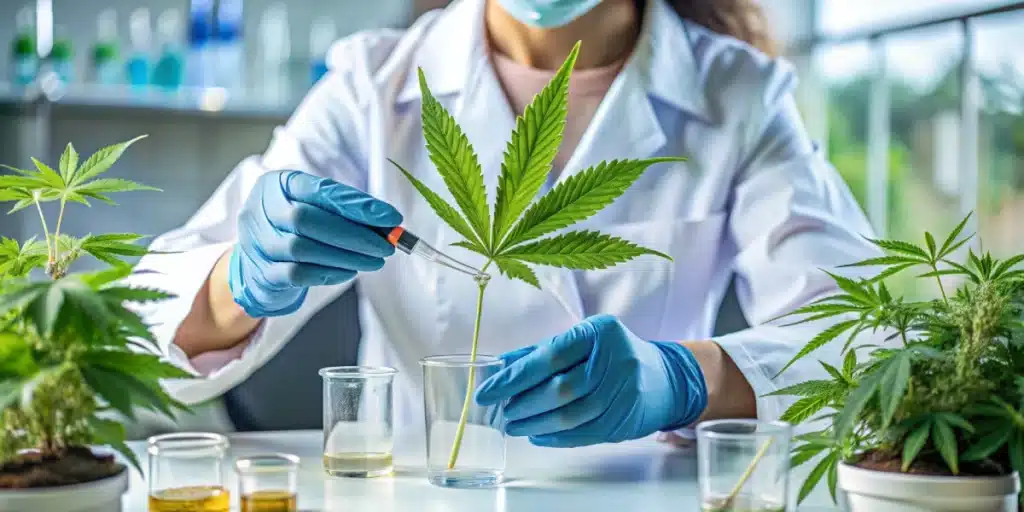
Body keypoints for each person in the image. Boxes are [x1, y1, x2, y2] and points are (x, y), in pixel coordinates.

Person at [127, 0, 881, 446]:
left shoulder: (740, 95)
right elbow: (145, 330)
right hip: (419, 487)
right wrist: (242, 279)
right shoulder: (371, 85)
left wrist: (685, 378)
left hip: (640, 489)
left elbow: (869, 337)